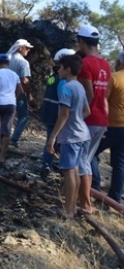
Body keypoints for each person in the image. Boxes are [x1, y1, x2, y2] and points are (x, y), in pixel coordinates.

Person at [46, 55, 91, 219]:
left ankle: (68, 210)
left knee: (68, 172)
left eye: (60, 67)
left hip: (71, 137)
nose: (58, 70)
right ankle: (72, 207)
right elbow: (87, 111)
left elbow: (63, 114)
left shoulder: (66, 88)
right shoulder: (79, 86)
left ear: (67, 69)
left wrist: (52, 137)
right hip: (83, 134)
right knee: (76, 170)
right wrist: (77, 120)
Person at [75, 25, 110, 214]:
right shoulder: (105, 64)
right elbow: (103, 95)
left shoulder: (86, 64)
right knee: (86, 159)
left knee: (82, 161)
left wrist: (77, 117)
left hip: (89, 119)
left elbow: (88, 95)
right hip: (102, 119)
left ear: (81, 42)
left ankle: (85, 205)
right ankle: (82, 201)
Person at [92, 51, 124, 203]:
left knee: (89, 153)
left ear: (119, 62)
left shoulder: (114, 78)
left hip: (111, 126)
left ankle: (94, 188)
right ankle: (115, 198)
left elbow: (103, 101)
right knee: (119, 163)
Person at [39, 48, 76, 178]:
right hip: (56, 114)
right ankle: (48, 165)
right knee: (53, 140)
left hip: (48, 112)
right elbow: (63, 100)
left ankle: (47, 164)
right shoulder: (63, 81)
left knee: (51, 139)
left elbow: (49, 89)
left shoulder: (52, 78)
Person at [0, 53, 23, 162]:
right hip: (11, 104)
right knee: (6, 129)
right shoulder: (14, 75)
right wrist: (13, 98)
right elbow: (21, 91)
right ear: (8, 63)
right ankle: (2, 156)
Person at [5, 39, 34, 147]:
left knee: (6, 116)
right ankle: (14, 140)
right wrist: (29, 95)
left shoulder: (7, 58)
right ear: (20, 48)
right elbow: (24, 81)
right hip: (18, 91)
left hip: (4, 91)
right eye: (27, 48)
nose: (28, 51)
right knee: (23, 116)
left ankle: (2, 140)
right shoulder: (23, 62)